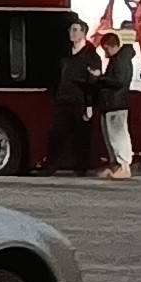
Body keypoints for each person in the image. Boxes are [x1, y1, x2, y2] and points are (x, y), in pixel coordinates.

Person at [41, 18, 101, 176]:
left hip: (80, 101)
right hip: (63, 100)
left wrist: (89, 106)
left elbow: (92, 82)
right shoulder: (64, 54)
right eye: (70, 30)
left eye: (75, 30)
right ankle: (51, 166)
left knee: (81, 135)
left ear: (83, 33)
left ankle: (81, 167)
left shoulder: (91, 56)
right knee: (57, 134)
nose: (71, 33)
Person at [96, 30, 135, 179]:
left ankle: (124, 166)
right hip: (112, 103)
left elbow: (120, 81)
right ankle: (117, 164)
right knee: (112, 136)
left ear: (109, 46)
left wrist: (101, 78)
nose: (105, 52)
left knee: (118, 137)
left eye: (105, 48)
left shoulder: (120, 60)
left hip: (116, 103)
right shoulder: (119, 59)